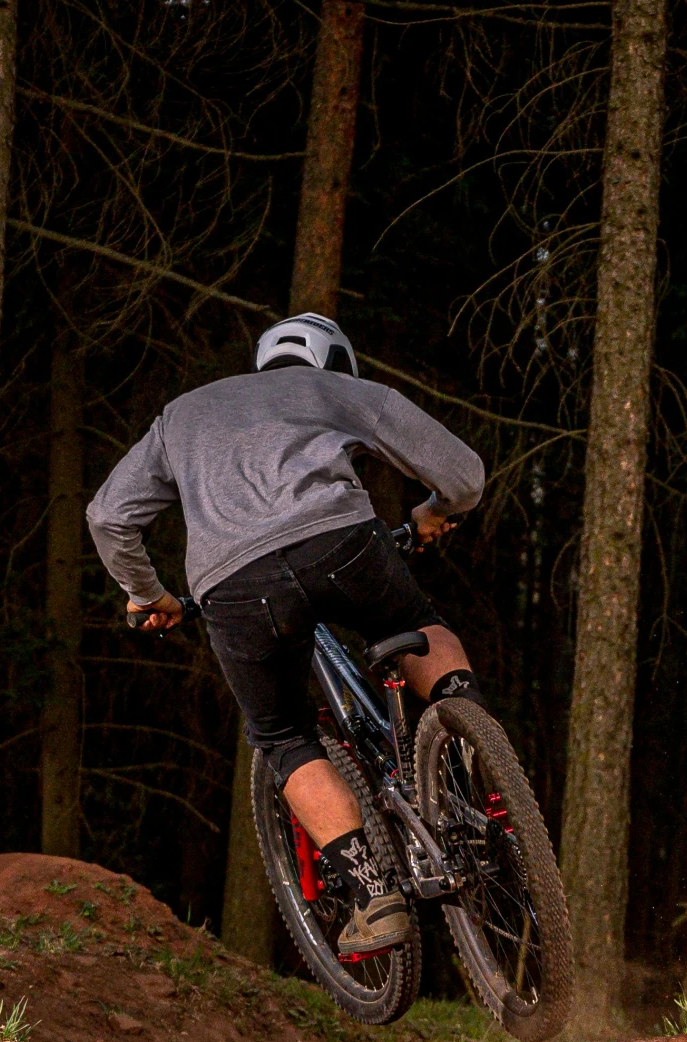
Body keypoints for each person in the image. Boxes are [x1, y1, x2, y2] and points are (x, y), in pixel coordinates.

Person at [86, 313, 488, 958]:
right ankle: (479, 763)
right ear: (336, 360)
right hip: (344, 545)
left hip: (236, 587)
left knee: (284, 735)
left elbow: (109, 515)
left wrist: (148, 593)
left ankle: (370, 893)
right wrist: (436, 511)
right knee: (416, 626)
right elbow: (462, 473)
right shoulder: (335, 390)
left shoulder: (182, 414)